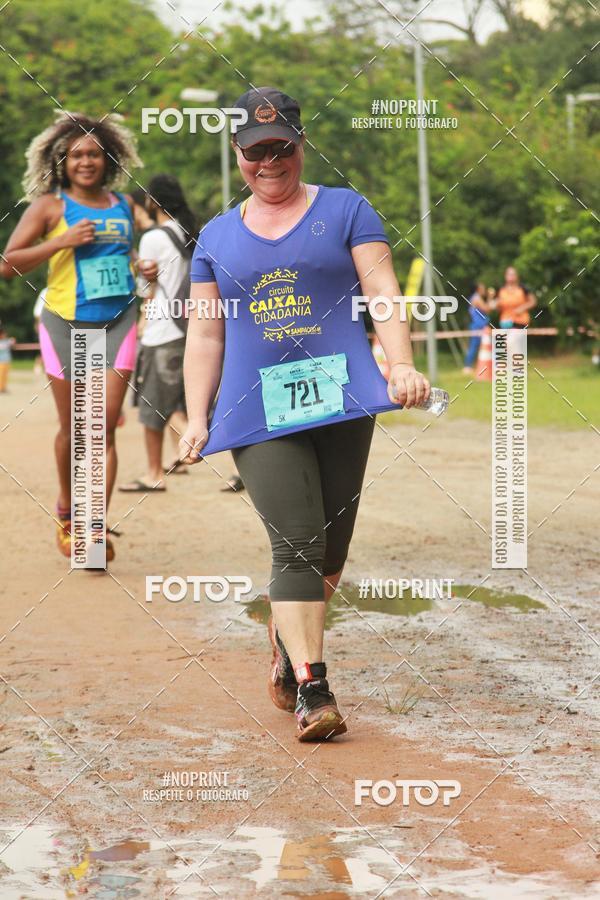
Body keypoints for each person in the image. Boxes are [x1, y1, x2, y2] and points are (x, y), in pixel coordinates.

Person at [178, 87, 430, 742]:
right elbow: (205, 334)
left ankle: (286, 641)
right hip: (256, 408)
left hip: (341, 399)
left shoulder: (348, 210)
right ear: (238, 154)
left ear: (300, 143)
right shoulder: (215, 236)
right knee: (296, 542)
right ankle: (314, 687)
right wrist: (196, 416)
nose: (270, 161)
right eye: (256, 151)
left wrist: (399, 363)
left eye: (281, 147)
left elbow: (382, 290)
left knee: (330, 552)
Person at [0, 111, 156, 562]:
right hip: (65, 323)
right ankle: (68, 511)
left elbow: (123, 260)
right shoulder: (49, 207)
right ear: (61, 162)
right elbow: (8, 264)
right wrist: (60, 242)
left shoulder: (124, 205)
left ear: (108, 158)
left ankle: (93, 526)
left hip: (119, 319)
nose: (85, 161)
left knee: (103, 424)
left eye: (93, 153)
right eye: (75, 155)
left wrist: (142, 269)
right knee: (75, 426)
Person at [119, 174, 194, 492]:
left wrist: (137, 267)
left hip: (161, 329)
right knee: (177, 402)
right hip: (189, 327)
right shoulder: (188, 231)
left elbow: (146, 290)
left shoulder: (153, 237)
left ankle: (153, 474)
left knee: (152, 405)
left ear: (152, 201)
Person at [463, 281, 490, 374]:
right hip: (478, 325)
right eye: (483, 288)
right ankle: (467, 366)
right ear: (478, 289)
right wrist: (490, 297)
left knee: (481, 346)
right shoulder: (477, 298)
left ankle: (471, 366)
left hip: (479, 325)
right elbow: (486, 309)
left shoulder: (475, 297)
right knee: (474, 346)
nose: (484, 290)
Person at [0, 323, 15, 392]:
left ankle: (3, 388)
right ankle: (1, 388)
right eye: (3, 334)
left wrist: (12, 340)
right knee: (1, 375)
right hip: (1, 361)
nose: (5, 335)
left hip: (7, 361)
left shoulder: (6, 341)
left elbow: (12, 341)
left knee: (5, 375)